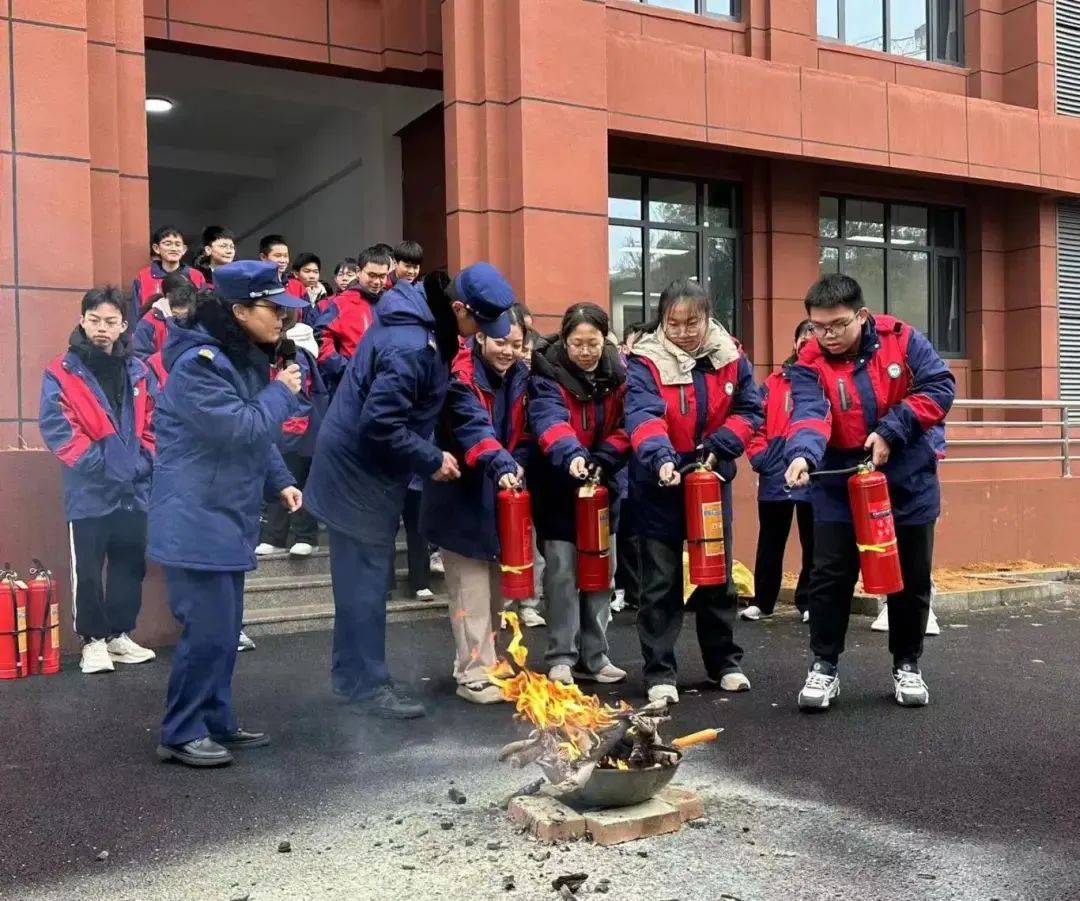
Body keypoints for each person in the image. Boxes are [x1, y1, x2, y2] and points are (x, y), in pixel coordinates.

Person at [305, 263, 514, 719]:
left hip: (364, 471)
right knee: (365, 586)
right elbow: (379, 424)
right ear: (458, 308)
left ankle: (353, 678)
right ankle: (368, 687)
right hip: (357, 477)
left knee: (360, 584)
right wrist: (431, 457)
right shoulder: (411, 346)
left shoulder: (425, 323)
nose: (478, 335)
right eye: (478, 324)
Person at [149, 261, 307, 767]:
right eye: (273, 308)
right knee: (209, 632)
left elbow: (253, 439)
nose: (282, 317)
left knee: (225, 628)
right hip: (195, 520)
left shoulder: (239, 362)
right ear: (239, 311)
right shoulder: (201, 365)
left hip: (223, 516)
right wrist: (282, 390)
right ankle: (180, 731)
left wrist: (280, 481)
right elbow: (241, 427)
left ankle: (215, 720)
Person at [784, 273, 955, 711]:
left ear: (862, 316)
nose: (828, 336)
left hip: (907, 477)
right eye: (819, 327)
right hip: (839, 480)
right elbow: (808, 411)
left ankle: (907, 664)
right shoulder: (807, 361)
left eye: (838, 325)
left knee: (911, 578)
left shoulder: (903, 340)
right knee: (829, 577)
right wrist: (802, 455)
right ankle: (824, 666)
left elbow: (940, 388)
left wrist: (890, 432)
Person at [625, 279, 763, 705]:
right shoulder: (644, 361)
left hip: (710, 477)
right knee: (661, 581)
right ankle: (660, 671)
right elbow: (642, 413)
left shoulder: (732, 357)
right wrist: (661, 457)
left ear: (708, 318)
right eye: (674, 322)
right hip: (659, 479)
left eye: (693, 322)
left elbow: (749, 409)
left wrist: (720, 446)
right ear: (662, 320)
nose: (684, 331)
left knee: (716, 576)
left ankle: (724, 662)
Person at [39, 287, 157, 674]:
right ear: (82, 320)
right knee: (88, 569)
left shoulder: (138, 371)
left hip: (134, 489)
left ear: (124, 325)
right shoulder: (61, 371)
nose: (101, 329)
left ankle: (119, 635)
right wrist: (103, 465)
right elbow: (58, 429)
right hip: (89, 488)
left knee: (129, 564)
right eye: (94, 320)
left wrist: (142, 464)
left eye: (110, 321)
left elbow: (156, 425)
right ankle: (93, 641)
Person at [422, 306, 529, 702]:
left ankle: (491, 662)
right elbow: (472, 428)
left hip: (503, 495)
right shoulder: (460, 376)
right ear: (481, 336)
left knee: (498, 590)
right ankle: (473, 674)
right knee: (471, 591)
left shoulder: (521, 376)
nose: (509, 351)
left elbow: (528, 432)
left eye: (517, 344)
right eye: (501, 342)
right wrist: (503, 463)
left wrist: (520, 466)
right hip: (461, 495)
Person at [529, 302, 629, 687]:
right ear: (565, 341)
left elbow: (628, 423)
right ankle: (561, 656)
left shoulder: (619, 374)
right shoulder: (545, 374)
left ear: (605, 341)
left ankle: (596, 655)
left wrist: (604, 459)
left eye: (593, 343)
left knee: (602, 573)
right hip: (557, 486)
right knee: (563, 574)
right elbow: (548, 420)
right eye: (577, 343)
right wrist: (571, 456)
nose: (585, 352)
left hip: (604, 486)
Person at [742, 319, 815, 624]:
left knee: (815, 542)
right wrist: (760, 458)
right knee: (771, 540)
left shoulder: (824, 379)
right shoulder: (773, 382)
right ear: (795, 343)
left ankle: (808, 601)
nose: (809, 342)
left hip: (813, 474)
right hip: (774, 475)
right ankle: (763, 601)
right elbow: (753, 421)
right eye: (804, 336)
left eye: (815, 337)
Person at [255, 315, 329, 560]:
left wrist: (288, 433)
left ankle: (305, 536)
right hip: (276, 427)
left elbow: (300, 399)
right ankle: (274, 537)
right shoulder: (264, 355)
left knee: (297, 479)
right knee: (278, 479)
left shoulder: (295, 356)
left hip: (300, 431)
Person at [314, 246, 392, 392]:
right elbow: (320, 337)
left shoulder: (391, 302)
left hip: (385, 384)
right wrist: (343, 368)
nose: (377, 281)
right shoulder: (342, 302)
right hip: (351, 386)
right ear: (358, 272)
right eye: (372, 275)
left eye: (382, 276)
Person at [612, 321, 644, 614]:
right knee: (619, 534)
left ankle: (635, 591)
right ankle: (620, 588)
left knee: (635, 535)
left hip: (642, 469)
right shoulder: (619, 375)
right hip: (619, 469)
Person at [130, 226, 206, 322]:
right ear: (156, 248)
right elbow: (135, 312)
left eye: (178, 244)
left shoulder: (196, 276)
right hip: (152, 331)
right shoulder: (143, 276)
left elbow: (204, 310)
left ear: (184, 249)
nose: (173, 248)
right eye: (168, 244)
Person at [131, 272, 197, 360]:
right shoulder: (149, 321)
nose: (182, 318)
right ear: (167, 297)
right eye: (176, 315)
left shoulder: (199, 316)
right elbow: (139, 356)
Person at [286, 252, 328, 320]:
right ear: (296, 274)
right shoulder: (289, 287)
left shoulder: (322, 291)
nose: (312, 276)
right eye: (307, 271)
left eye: (315, 272)